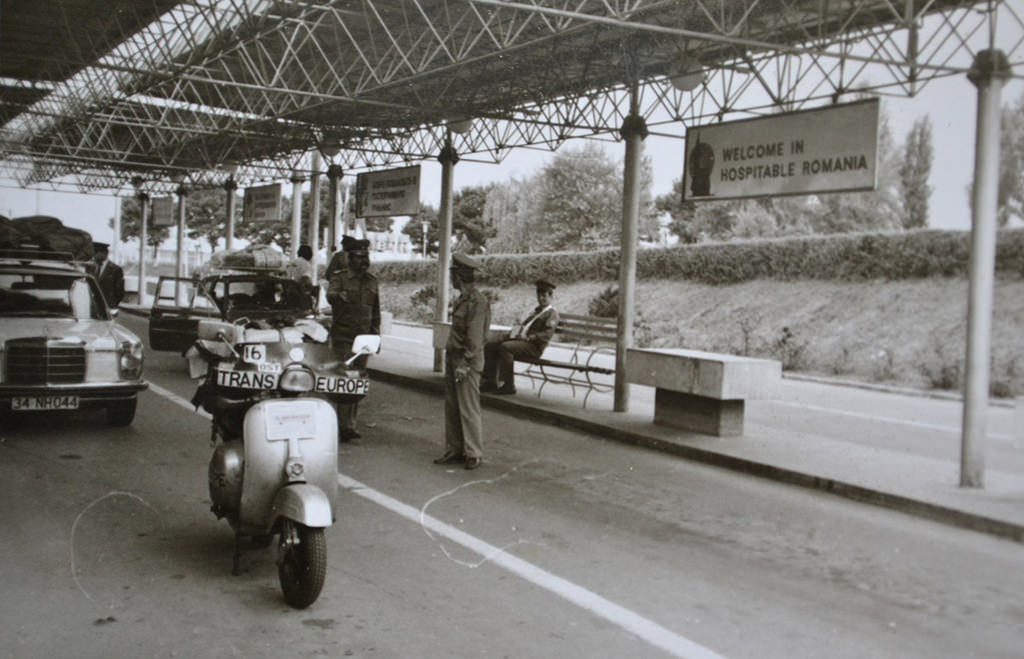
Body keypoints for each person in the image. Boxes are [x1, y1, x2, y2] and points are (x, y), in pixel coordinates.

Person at [434, 253, 491, 470]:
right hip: (455, 358)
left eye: (452, 274)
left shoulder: (478, 302)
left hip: (466, 361)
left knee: (468, 407)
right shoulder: (463, 299)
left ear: (459, 276)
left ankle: (473, 452)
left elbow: (475, 338)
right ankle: (455, 449)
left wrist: (465, 364)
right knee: (453, 406)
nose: (451, 278)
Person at [326, 237, 380, 442]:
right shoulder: (340, 279)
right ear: (349, 258)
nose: (363, 261)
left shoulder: (372, 281)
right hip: (344, 336)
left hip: (364, 338)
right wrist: (339, 296)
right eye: (358, 257)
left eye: (365, 257)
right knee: (341, 380)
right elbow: (330, 295)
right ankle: (338, 424)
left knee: (357, 381)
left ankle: (349, 425)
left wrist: (376, 336)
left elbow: (376, 311)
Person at [481, 278, 559, 395]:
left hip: (534, 347)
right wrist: (516, 333)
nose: (541, 298)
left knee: (505, 347)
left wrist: (529, 338)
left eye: (544, 296)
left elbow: (547, 334)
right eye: (539, 295)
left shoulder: (552, 314)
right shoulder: (537, 311)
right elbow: (525, 325)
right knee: (490, 346)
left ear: (551, 296)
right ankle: (491, 381)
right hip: (522, 342)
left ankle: (509, 385)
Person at [88, 242, 125, 309]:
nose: (94, 256)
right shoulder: (90, 268)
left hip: (108, 307)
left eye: (96, 253)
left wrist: (112, 304)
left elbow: (119, 292)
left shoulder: (115, 269)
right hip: (92, 307)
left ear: (104, 253)